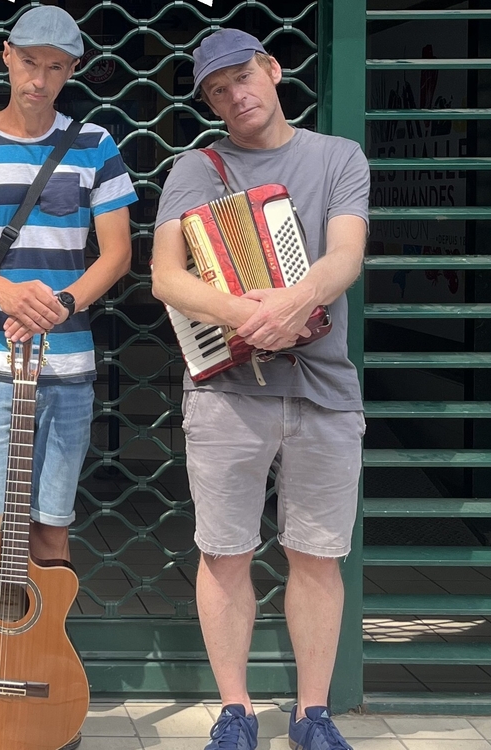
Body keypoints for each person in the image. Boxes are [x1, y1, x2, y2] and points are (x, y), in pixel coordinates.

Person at [150, 29, 369, 750]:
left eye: (243, 76)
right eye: (217, 89)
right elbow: (167, 277)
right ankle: (236, 710)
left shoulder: (338, 158)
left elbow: (345, 256)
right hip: (226, 394)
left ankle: (312, 715)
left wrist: (292, 304)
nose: (235, 95)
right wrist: (248, 315)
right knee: (225, 554)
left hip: (324, 389)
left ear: (273, 71)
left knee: (316, 556)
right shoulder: (195, 168)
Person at [0, 6, 135, 561]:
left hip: (68, 363)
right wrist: (8, 293)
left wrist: (63, 303)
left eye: (56, 67)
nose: (39, 80)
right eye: (29, 62)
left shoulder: (95, 144)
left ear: (73, 70)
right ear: (7, 58)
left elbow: (117, 254)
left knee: (51, 529)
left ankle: (40, 650)